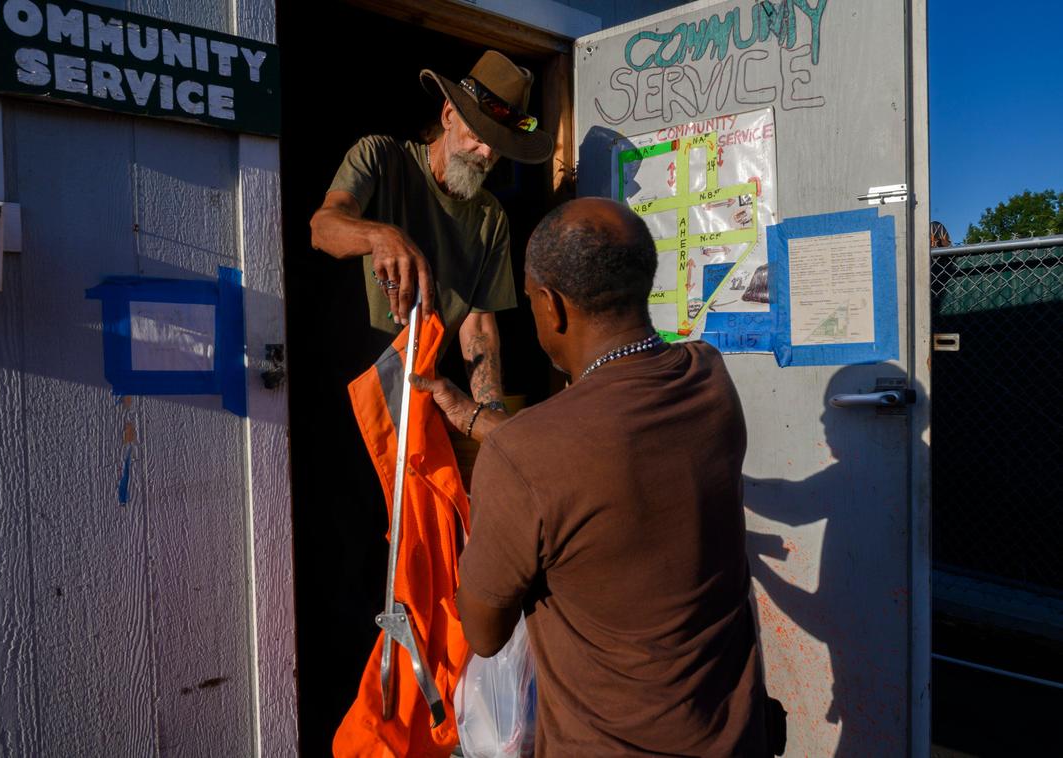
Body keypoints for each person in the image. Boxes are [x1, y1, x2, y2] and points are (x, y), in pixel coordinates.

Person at [414, 198, 769, 755]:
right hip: (732, 735)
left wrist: (500, 458)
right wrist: (483, 422)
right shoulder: (709, 378)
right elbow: (606, 444)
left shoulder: (522, 457)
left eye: (528, 299)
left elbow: (484, 634)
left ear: (550, 307)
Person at [310, 49, 553, 405]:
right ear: (449, 114)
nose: (486, 154)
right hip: (344, 391)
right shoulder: (380, 157)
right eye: (479, 136)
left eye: (498, 147)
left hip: (412, 402)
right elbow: (322, 227)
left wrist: (492, 412)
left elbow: (480, 328)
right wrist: (382, 235)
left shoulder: (491, 216)